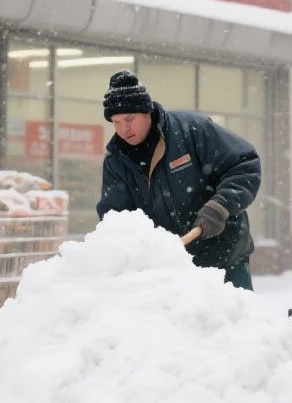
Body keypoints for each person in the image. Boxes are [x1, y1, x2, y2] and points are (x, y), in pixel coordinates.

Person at [97, 70, 261, 289]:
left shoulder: (192, 130)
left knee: (236, 322)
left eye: (129, 119)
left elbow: (244, 164)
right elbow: (116, 216)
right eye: (116, 122)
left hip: (224, 257)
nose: (124, 129)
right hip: (171, 270)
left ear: (147, 111)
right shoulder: (116, 159)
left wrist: (221, 205)